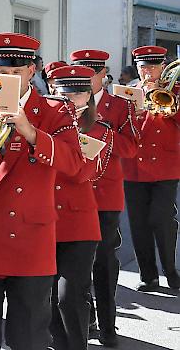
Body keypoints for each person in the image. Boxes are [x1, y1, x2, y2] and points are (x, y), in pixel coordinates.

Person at [0, 32, 84, 350]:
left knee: (29, 339)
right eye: (0, 72)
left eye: (15, 72)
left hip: (30, 242)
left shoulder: (55, 112)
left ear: (31, 71)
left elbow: (76, 165)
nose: (6, 79)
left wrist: (31, 132)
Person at [70, 49, 139, 347]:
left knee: (105, 264)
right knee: (75, 267)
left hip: (105, 196)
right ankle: (85, 321)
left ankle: (108, 325)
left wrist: (105, 134)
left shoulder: (120, 106)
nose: (86, 78)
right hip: (72, 195)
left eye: (91, 73)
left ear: (103, 74)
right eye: (80, 72)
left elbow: (131, 149)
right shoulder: (62, 103)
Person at [47, 65, 111, 350]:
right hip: (44, 219)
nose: (72, 98)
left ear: (89, 96)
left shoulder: (100, 129)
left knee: (68, 296)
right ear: (54, 93)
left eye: (79, 92)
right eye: (65, 93)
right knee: (47, 298)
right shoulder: (40, 125)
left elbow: (86, 173)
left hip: (78, 224)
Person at [122, 45, 180, 292]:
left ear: (162, 66)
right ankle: (148, 275)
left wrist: (162, 95)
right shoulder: (128, 93)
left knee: (162, 218)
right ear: (137, 67)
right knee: (139, 222)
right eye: (144, 66)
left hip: (166, 167)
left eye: (154, 66)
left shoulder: (175, 91)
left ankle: (170, 270)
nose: (149, 72)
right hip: (134, 167)